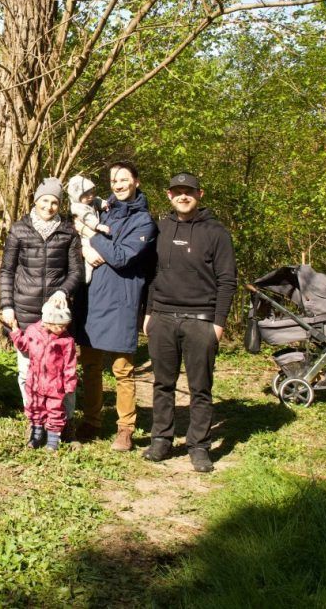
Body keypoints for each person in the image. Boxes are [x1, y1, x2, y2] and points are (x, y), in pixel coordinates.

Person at [144, 172, 237, 473]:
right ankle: (161, 439)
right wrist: (148, 314)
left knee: (200, 388)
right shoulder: (159, 229)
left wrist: (218, 322)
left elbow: (227, 281)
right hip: (162, 318)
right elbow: (150, 276)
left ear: (200, 195)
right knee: (163, 384)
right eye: (177, 191)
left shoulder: (216, 232)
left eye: (189, 191)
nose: (183, 196)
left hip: (201, 320)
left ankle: (199, 446)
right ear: (169, 195)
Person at [78, 161, 157, 451]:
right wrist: (85, 246)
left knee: (122, 368)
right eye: (113, 180)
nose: (118, 184)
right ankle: (91, 420)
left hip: (123, 297)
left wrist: (93, 240)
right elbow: (80, 234)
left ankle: (125, 428)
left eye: (124, 179)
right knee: (90, 364)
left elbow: (122, 256)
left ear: (136, 181)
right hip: (92, 295)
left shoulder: (145, 221)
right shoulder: (102, 210)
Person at [0, 178, 82, 421]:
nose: (49, 206)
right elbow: (7, 270)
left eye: (55, 202)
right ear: (36, 201)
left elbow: (76, 271)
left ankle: (64, 423)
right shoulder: (19, 229)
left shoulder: (68, 231)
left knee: (62, 371)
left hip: (56, 315)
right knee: (26, 370)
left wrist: (62, 291)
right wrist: (7, 305)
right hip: (25, 309)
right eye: (45, 200)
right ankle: (35, 421)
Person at [6, 295, 78, 452]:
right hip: (35, 382)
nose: (63, 329)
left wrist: (69, 382)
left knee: (55, 410)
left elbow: (70, 364)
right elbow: (24, 345)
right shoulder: (33, 332)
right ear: (48, 322)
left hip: (55, 384)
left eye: (65, 325)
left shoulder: (66, 341)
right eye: (59, 326)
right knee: (35, 408)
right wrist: (16, 332)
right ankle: (36, 435)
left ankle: (53, 440)